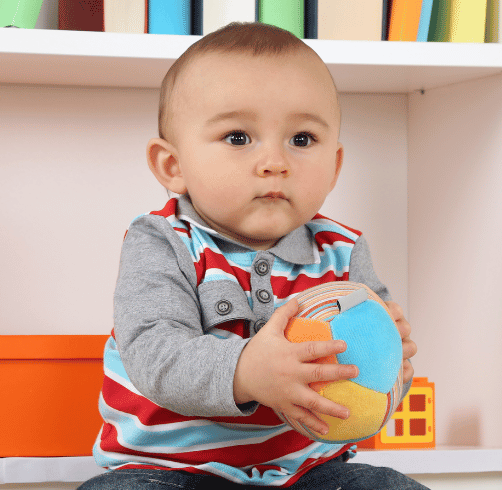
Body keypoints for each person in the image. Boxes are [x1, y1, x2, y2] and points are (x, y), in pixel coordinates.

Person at [78, 22, 424, 490]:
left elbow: (367, 396)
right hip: (173, 472)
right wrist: (247, 371)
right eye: (238, 137)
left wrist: (392, 365)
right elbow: (155, 356)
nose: (275, 162)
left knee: (386, 485)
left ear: (335, 165)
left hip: (309, 474)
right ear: (172, 166)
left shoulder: (342, 252)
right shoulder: (163, 241)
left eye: (301, 139)